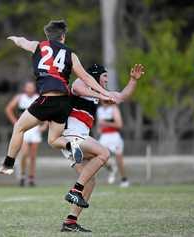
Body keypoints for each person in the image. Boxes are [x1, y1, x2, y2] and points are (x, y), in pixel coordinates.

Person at [0, 20, 119, 205]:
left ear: (47, 36)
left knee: (19, 127)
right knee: (52, 140)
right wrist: (105, 93)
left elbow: (23, 42)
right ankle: (71, 145)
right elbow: (86, 77)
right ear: (63, 37)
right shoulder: (71, 54)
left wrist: (15, 39)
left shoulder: (39, 46)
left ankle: (7, 165)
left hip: (47, 99)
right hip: (64, 102)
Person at [60, 63, 144, 232]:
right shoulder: (81, 85)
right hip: (71, 137)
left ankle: (70, 222)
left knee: (91, 181)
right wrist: (100, 93)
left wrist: (133, 80)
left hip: (80, 140)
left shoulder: (99, 93)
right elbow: (77, 86)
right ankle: (74, 191)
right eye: (105, 76)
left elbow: (121, 96)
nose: (107, 80)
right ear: (96, 76)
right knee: (104, 153)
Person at [5, 81, 46, 187]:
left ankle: (31, 178)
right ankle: (22, 175)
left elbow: (47, 111)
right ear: (25, 88)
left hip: (35, 129)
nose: (30, 89)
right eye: (28, 87)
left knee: (33, 156)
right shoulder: (20, 97)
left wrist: (44, 126)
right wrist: (15, 122)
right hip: (24, 129)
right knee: (24, 153)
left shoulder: (39, 98)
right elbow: (8, 109)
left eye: (31, 87)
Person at [97, 101, 130, 187]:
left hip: (114, 136)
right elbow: (99, 124)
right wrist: (99, 128)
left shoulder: (113, 109)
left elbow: (119, 124)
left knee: (119, 159)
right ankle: (111, 168)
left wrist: (106, 123)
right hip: (104, 136)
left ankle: (124, 179)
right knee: (98, 156)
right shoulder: (99, 110)